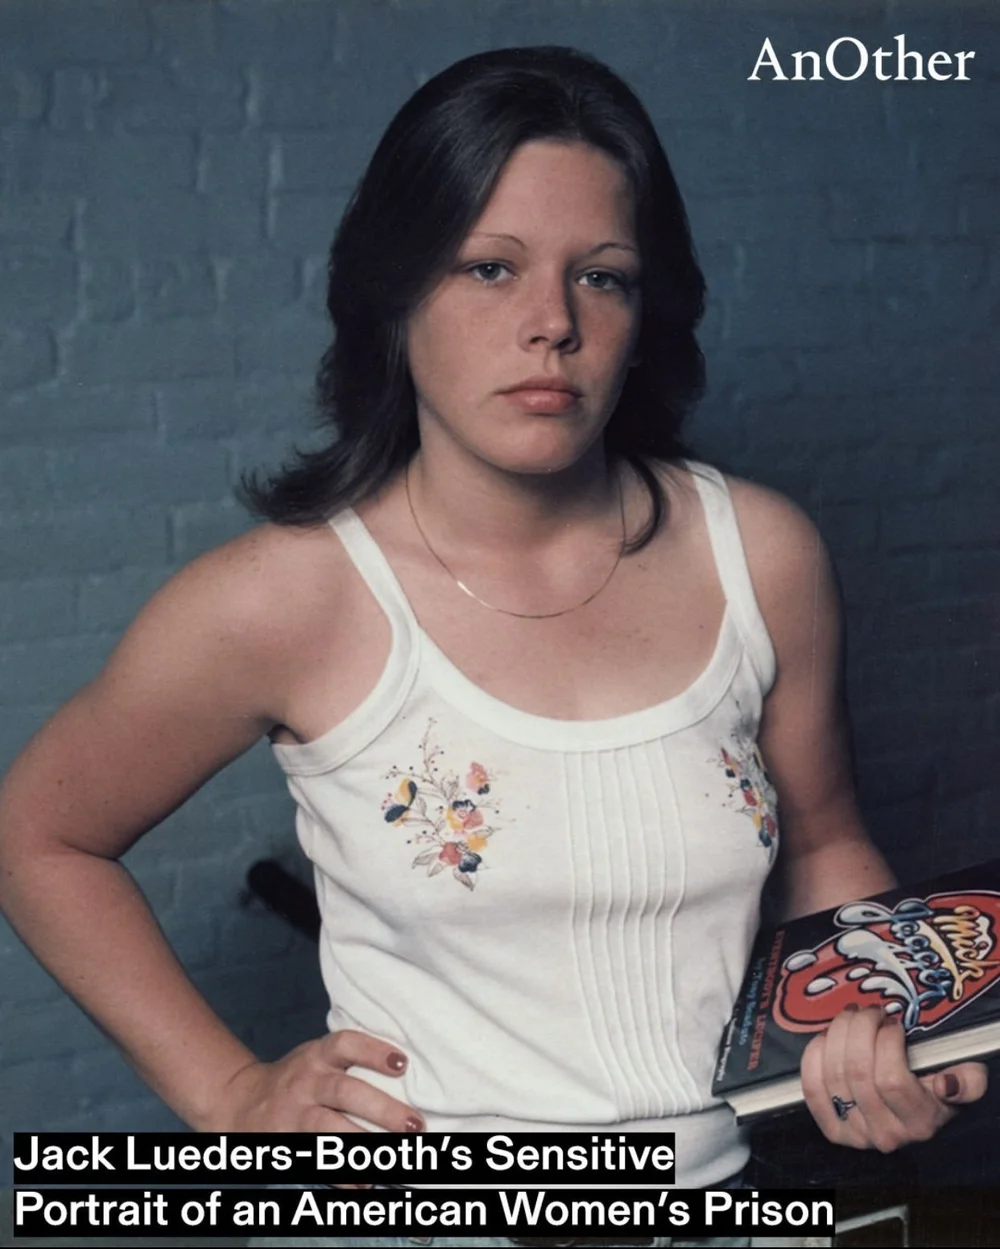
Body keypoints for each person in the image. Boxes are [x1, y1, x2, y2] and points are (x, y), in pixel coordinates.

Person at [0, 44, 987, 1249]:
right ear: (395, 294)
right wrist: (228, 1093)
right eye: (488, 268)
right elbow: (38, 835)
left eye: (602, 277)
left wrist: (896, 1019)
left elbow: (827, 845)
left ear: (646, 312)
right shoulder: (282, 600)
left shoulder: (763, 556)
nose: (551, 325)